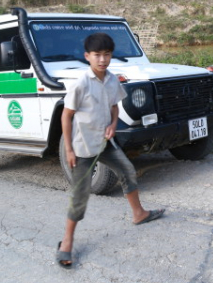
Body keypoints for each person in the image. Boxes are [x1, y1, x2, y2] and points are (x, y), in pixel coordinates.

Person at [56, 32, 164, 269]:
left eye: (107, 55)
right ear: (87, 57)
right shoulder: (80, 84)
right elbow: (66, 116)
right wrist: (69, 149)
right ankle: (67, 241)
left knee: (127, 170)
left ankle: (139, 214)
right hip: (83, 148)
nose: (102, 60)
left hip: (105, 143)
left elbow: (115, 106)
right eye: (97, 55)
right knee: (80, 196)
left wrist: (113, 125)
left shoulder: (112, 80)